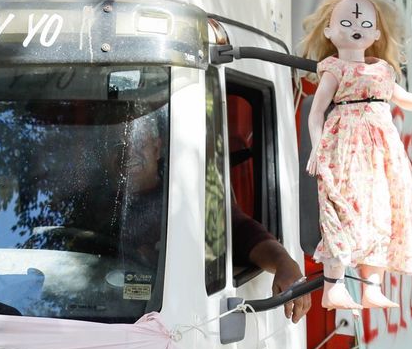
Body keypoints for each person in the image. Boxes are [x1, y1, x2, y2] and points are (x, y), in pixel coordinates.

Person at [301, 0, 412, 311]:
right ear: (328, 30)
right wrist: (317, 148)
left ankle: (372, 285)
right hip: (345, 145)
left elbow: (399, 97)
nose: (356, 28)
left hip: (381, 150)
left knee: (381, 209)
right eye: (347, 23)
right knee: (343, 207)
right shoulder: (334, 69)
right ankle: (334, 285)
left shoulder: (382, 70)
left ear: (376, 33)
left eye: (365, 24)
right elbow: (316, 113)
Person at [120, 114, 311, 322]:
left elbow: (240, 230)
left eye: (139, 143)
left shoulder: (187, 195)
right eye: (118, 145)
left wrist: (284, 263)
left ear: (157, 149)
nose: (129, 153)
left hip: (176, 322)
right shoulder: (96, 203)